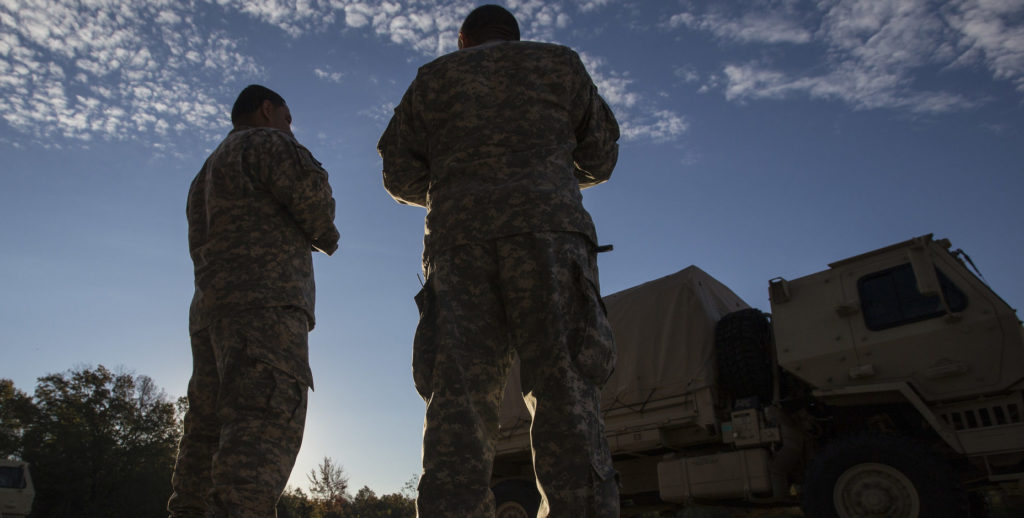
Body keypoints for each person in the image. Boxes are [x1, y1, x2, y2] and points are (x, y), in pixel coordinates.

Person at [377, 5, 621, 517]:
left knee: (459, 405)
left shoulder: (433, 79)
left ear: (463, 41)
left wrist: (458, 187)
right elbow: (600, 156)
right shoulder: (559, 65)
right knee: (564, 395)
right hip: (550, 238)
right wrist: (543, 175)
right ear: (514, 37)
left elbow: (398, 173)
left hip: (459, 245)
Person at [168, 84, 340, 518]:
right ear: (267, 110)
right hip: (265, 310)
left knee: (205, 434)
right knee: (261, 431)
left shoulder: (206, 170)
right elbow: (317, 214)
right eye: (287, 118)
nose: (289, 127)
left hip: (210, 315)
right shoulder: (268, 142)